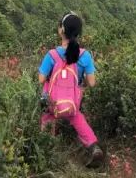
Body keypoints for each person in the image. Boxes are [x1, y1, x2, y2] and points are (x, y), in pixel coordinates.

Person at [39, 13, 102, 168]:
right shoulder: (85, 55)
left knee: (47, 115)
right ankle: (93, 147)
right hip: (72, 101)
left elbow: (41, 79)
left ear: (61, 30)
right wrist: (80, 85)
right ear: (79, 33)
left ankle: (46, 148)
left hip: (51, 101)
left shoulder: (52, 54)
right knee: (77, 117)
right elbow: (92, 83)